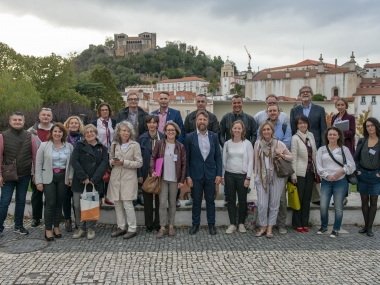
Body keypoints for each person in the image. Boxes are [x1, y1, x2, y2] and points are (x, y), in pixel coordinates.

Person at [0, 112, 38, 237]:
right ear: (10, 122)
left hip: (25, 174)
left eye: (19, 120)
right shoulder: (3, 136)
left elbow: (34, 156)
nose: (17, 122)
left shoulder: (29, 136)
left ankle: (18, 226)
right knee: (4, 201)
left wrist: (35, 173)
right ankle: (0, 226)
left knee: (21, 201)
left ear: (23, 122)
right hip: (8, 175)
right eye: (15, 120)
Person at [35, 123, 74, 241]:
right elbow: (38, 163)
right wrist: (39, 181)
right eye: (55, 131)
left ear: (63, 134)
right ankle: (48, 229)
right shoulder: (44, 145)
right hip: (48, 177)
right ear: (51, 133)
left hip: (63, 177)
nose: (57, 134)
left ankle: (56, 227)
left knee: (59, 203)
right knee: (50, 204)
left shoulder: (68, 147)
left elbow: (71, 164)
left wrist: (70, 177)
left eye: (60, 132)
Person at [185, 111, 222, 236]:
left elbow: (218, 156)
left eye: (204, 120)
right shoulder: (189, 137)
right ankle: (195, 224)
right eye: (200, 119)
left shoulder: (214, 136)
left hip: (211, 174)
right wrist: (188, 176)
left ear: (208, 122)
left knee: (210, 201)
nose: (202, 122)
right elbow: (187, 159)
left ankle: (211, 225)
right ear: (196, 121)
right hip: (195, 175)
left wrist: (219, 174)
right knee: (196, 201)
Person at [254, 121, 293, 239]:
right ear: (261, 132)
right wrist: (255, 176)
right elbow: (255, 160)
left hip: (276, 176)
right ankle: (263, 226)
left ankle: (270, 227)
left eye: (268, 129)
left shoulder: (279, 144)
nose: (266, 131)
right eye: (264, 130)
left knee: (274, 204)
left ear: (272, 131)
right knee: (262, 204)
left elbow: (291, 157)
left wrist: (281, 154)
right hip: (262, 176)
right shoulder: (258, 144)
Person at [290, 86, 327, 205]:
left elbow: (323, 129)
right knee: (301, 170)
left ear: (311, 94)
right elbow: (292, 128)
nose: (305, 94)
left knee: (314, 170)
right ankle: (302, 196)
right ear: (299, 95)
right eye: (303, 92)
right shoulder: (294, 110)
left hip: (314, 145)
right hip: (299, 144)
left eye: (307, 92)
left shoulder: (320, 109)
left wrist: (322, 147)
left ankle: (316, 197)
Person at [316, 127, 355, 238]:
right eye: (330, 134)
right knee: (323, 206)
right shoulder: (322, 150)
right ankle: (324, 226)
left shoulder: (344, 150)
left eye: (334, 134)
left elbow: (352, 165)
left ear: (338, 136)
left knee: (338, 207)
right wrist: (327, 175)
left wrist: (341, 171)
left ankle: (336, 228)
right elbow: (318, 166)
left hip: (340, 181)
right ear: (327, 136)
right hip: (326, 181)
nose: (332, 136)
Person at [71, 124, 108, 240]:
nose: (89, 134)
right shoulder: (79, 146)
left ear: (96, 133)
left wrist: (94, 179)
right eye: (87, 132)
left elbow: (104, 163)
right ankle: (81, 227)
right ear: (84, 135)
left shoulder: (102, 147)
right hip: (80, 181)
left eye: (92, 131)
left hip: (94, 182)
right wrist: (84, 177)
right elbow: (74, 161)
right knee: (77, 205)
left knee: (91, 205)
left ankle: (90, 228)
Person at [219, 95, 257, 206]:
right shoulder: (225, 118)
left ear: (242, 103)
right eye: (234, 103)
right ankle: (228, 197)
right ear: (231, 104)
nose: (237, 105)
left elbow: (254, 134)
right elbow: (220, 134)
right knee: (228, 172)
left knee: (244, 175)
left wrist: (248, 147)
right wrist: (225, 146)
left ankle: (242, 196)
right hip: (229, 152)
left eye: (239, 102)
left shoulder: (250, 119)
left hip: (244, 153)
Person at [150, 122, 186, 238]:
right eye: (168, 130)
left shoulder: (180, 146)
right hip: (163, 178)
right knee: (162, 203)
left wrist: (181, 180)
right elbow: (153, 157)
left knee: (172, 203)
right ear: (164, 132)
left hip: (175, 179)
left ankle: (171, 226)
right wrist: (152, 170)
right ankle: (162, 227)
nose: (171, 132)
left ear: (176, 132)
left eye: (173, 130)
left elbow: (184, 164)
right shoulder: (160, 144)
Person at [108, 121, 143, 239]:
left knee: (127, 204)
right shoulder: (114, 144)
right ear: (119, 131)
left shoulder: (135, 145)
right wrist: (112, 162)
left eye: (128, 131)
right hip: (116, 177)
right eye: (124, 130)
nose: (126, 133)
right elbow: (110, 159)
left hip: (128, 177)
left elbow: (139, 163)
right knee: (117, 203)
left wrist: (124, 162)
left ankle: (132, 228)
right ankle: (121, 227)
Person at [184, 93, 220, 206]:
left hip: (208, 153)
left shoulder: (212, 117)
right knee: (194, 180)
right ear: (196, 102)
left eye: (202, 101)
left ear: (206, 102)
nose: (200, 104)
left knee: (210, 198)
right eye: (198, 101)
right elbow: (186, 133)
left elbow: (216, 133)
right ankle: (192, 197)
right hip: (194, 149)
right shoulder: (189, 117)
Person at [151, 91, 186, 208]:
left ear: (169, 100)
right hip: (159, 147)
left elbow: (181, 130)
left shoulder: (175, 113)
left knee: (174, 171)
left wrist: (177, 146)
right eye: (161, 98)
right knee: (161, 174)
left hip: (172, 146)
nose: (163, 100)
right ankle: (160, 199)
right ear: (158, 100)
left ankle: (175, 198)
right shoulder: (153, 114)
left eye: (165, 98)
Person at [221, 120, 253, 234]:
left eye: (239, 128)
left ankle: (241, 223)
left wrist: (248, 178)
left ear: (243, 130)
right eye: (235, 128)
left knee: (243, 200)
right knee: (231, 200)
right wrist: (223, 176)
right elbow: (224, 161)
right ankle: (232, 224)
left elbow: (250, 161)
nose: (237, 130)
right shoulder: (227, 144)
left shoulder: (247, 143)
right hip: (229, 175)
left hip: (242, 176)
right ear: (231, 130)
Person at [117, 93, 148, 206]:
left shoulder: (144, 114)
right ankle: (132, 196)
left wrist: (140, 140)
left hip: (140, 145)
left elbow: (146, 129)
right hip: (125, 145)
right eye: (131, 99)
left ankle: (141, 194)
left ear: (138, 101)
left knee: (140, 169)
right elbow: (118, 129)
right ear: (128, 101)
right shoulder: (122, 114)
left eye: (135, 99)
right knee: (129, 172)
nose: (133, 101)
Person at [137, 115, 164, 232]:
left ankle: (158, 222)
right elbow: (137, 157)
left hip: (160, 172)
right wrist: (139, 174)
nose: (152, 125)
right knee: (147, 200)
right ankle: (148, 223)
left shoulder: (163, 137)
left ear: (158, 124)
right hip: (145, 172)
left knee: (160, 199)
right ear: (146, 124)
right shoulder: (141, 138)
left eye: (154, 122)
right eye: (149, 122)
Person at [290, 115, 317, 232]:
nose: (302, 125)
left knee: (307, 199)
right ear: (297, 125)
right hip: (300, 173)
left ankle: (305, 222)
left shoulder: (311, 136)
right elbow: (293, 158)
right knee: (298, 199)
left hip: (310, 172)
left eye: (304, 123)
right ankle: (297, 223)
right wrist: (293, 175)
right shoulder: (295, 138)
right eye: (300, 123)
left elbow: (314, 154)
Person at [28, 107, 54, 228]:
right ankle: (36, 217)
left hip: (52, 167)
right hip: (36, 166)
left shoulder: (56, 130)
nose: (45, 117)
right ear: (39, 116)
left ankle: (51, 217)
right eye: (43, 115)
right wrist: (33, 172)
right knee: (36, 194)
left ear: (51, 117)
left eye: (48, 115)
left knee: (51, 194)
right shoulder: (30, 132)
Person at [354, 118, 380, 237]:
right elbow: (356, 157)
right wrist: (357, 169)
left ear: (376, 126)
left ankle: (370, 228)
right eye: (367, 126)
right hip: (363, 174)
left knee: (373, 201)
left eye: (372, 125)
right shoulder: (362, 141)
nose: (370, 128)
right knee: (364, 200)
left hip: (376, 175)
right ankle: (365, 226)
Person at [331, 98, 356, 206]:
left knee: (344, 172)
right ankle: (337, 196)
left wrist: (340, 133)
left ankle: (344, 197)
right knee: (335, 171)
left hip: (346, 147)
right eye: (338, 105)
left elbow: (352, 132)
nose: (340, 107)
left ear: (346, 106)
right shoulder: (334, 117)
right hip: (335, 147)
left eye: (342, 105)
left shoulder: (350, 117)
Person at [92, 103, 117, 206]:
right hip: (99, 151)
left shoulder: (114, 122)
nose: (105, 112)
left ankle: (107, 196)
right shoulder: (95, 123)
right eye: (102, 110)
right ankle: (100, 196)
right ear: (99, 112)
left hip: (111, 151)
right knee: (100, 174)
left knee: (109, 175)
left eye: (106, 110)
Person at [62, 116, 84, 232]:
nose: (74, 125)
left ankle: (78, 220)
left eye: (76, 123)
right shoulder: (64, 138)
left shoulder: (83, 138)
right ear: (68, 125)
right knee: (66, 198)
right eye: (72, 123)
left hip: (78, 172)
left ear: (79, 125)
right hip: (65, 171)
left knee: (78, 198)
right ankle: (67, 220)